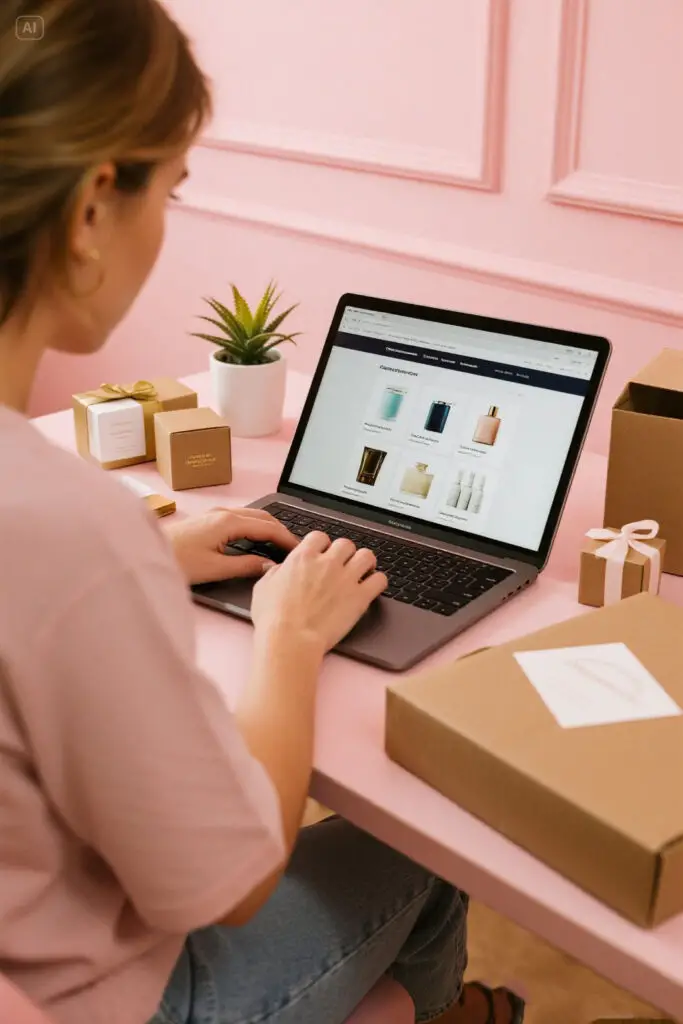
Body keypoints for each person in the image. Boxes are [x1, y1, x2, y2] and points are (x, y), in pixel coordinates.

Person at [0, 2, 525, 1023]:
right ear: (93, 205)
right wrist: (288, 635)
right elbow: (229, 886)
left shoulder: (66, 529)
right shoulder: (64, 526)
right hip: (117, 992)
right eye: (172, 190)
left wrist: (147, 549)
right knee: (422, 846)